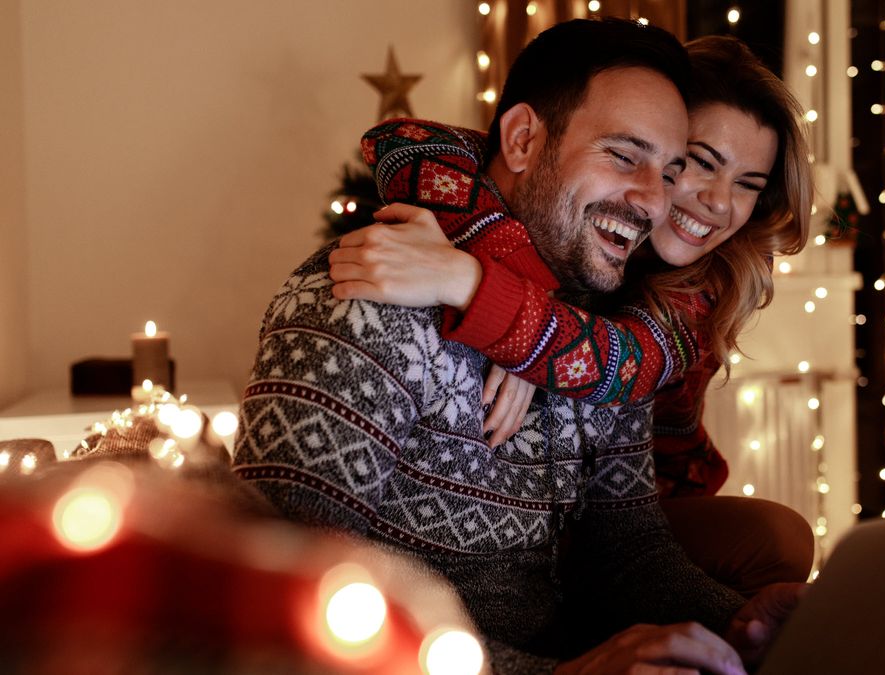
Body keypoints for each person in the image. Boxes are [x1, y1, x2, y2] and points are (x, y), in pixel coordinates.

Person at [234, 18, 801, 674]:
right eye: (624, 155)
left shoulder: (600, 322)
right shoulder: (371, 292)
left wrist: (740, 620)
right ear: (524, 138)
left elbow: (627, 549)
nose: (654, 199)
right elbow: (288, 602)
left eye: (669, 170)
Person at [332, 35, 815, 596]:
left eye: (749, 185)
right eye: (700, 164)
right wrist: (519, 276)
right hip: (535, 515)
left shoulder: (704, 287)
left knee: (780, 540)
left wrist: (476, 287)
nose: (720, 202)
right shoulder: (569, 216)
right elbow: (403, 141)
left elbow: (619, 365)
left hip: (650, 507)